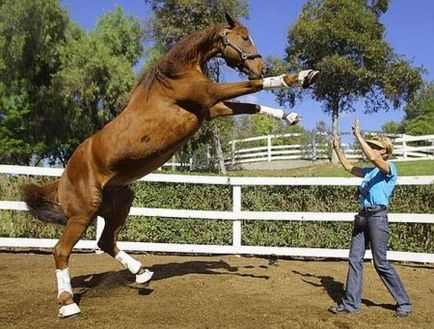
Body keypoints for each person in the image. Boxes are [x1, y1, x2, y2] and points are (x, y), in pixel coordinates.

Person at [328, 118, 412, 318]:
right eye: (372, 145)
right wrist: (337, 148)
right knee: (355, 259)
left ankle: (404, 303)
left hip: (377, 218)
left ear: (385, 151)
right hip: (363, 217)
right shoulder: (369, 172)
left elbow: (374, 159)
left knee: (380, 262)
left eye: (376, 147)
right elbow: (348, 167)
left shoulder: (389, 169)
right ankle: (351, 304)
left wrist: (358, 136)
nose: (373, 149)